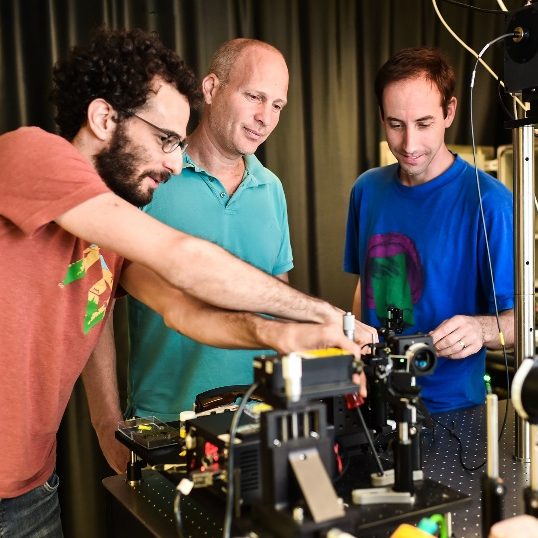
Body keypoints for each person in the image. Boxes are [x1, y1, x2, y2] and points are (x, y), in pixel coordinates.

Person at [0, 27, 378, 536]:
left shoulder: (112, 233)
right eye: (164, 140)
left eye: (179, 144)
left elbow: (184, 308)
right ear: (104, 118)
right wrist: (327, 314)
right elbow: (181, 258)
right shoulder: (30, 154)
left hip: (31, 486)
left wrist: (288, 333)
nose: (174, 162)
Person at [125, 38, 294, 421]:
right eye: (254, 96)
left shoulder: (272, 188)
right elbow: (96, 309)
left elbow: (278, 301)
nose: (265, 117)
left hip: (259, 416)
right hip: (165, 419)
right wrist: (106, 423)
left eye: (277, 105)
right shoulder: (150, 176)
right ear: (212, 89)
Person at [344, 47, 514, 413]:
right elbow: (365, 286)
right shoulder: (366, 190)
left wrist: (481, 330)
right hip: (373, 408)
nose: (409, 145)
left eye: (423, 124)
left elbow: (520, 325)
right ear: (380, 117)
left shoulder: (490, 203)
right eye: (395, 125)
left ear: (449, 112)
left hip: (454, 414)